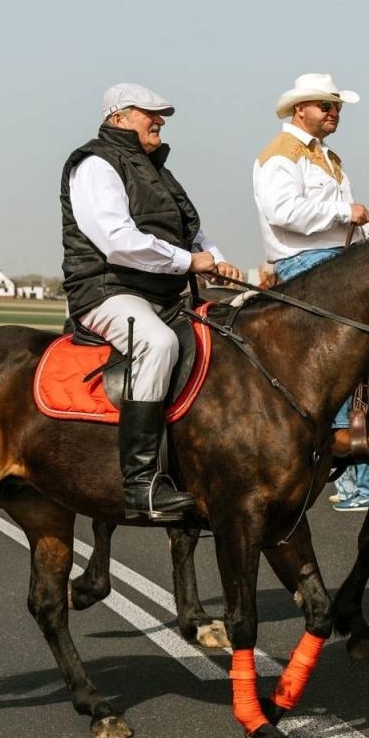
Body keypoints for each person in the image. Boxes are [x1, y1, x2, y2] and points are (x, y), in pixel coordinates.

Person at [63, 82, 242, 520]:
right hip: (107, 291)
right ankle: (140, 484)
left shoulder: (157, 169)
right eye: (150, 113)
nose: (159, 120)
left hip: (162, 293)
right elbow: (118, 241)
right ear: (119, 117)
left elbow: (191, 230)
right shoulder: (95, 165)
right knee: (157, 344)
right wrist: (189, 262)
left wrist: (218, 261)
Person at [253, 73, 369, 512]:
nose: (334, 114)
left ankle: (360, 471)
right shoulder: (281, 154)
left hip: (333, 260)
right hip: (306, 265)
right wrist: (345, 212)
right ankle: (355, 468)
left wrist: (368, 222)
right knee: (356, 359)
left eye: (337, 108)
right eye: (326, 107)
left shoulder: (326, 156)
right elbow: (283, 212)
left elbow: (338, 220)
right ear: (301, 109)